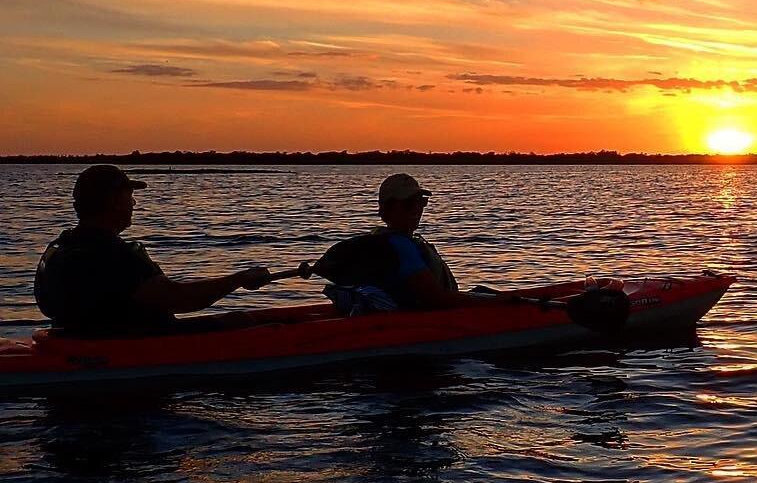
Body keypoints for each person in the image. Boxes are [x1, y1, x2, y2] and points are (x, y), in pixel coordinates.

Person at [34, 164, 274, 336]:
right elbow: (178, 300)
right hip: (126, 344)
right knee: (240, 320)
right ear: (113, 202)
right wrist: (239, 279)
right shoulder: (118, 255)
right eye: (130, 198)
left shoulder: (58, 248)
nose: (133, 205)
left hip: (74, 337)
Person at [311, 173, 483, 310]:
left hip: (412, 310)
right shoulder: (400, 246)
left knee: (482, 292)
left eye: (421, 202)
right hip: (421, 320)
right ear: (387, 209)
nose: (417, 209)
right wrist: (498, 302)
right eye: (408, 204)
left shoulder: (391, 240)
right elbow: (436, 298)